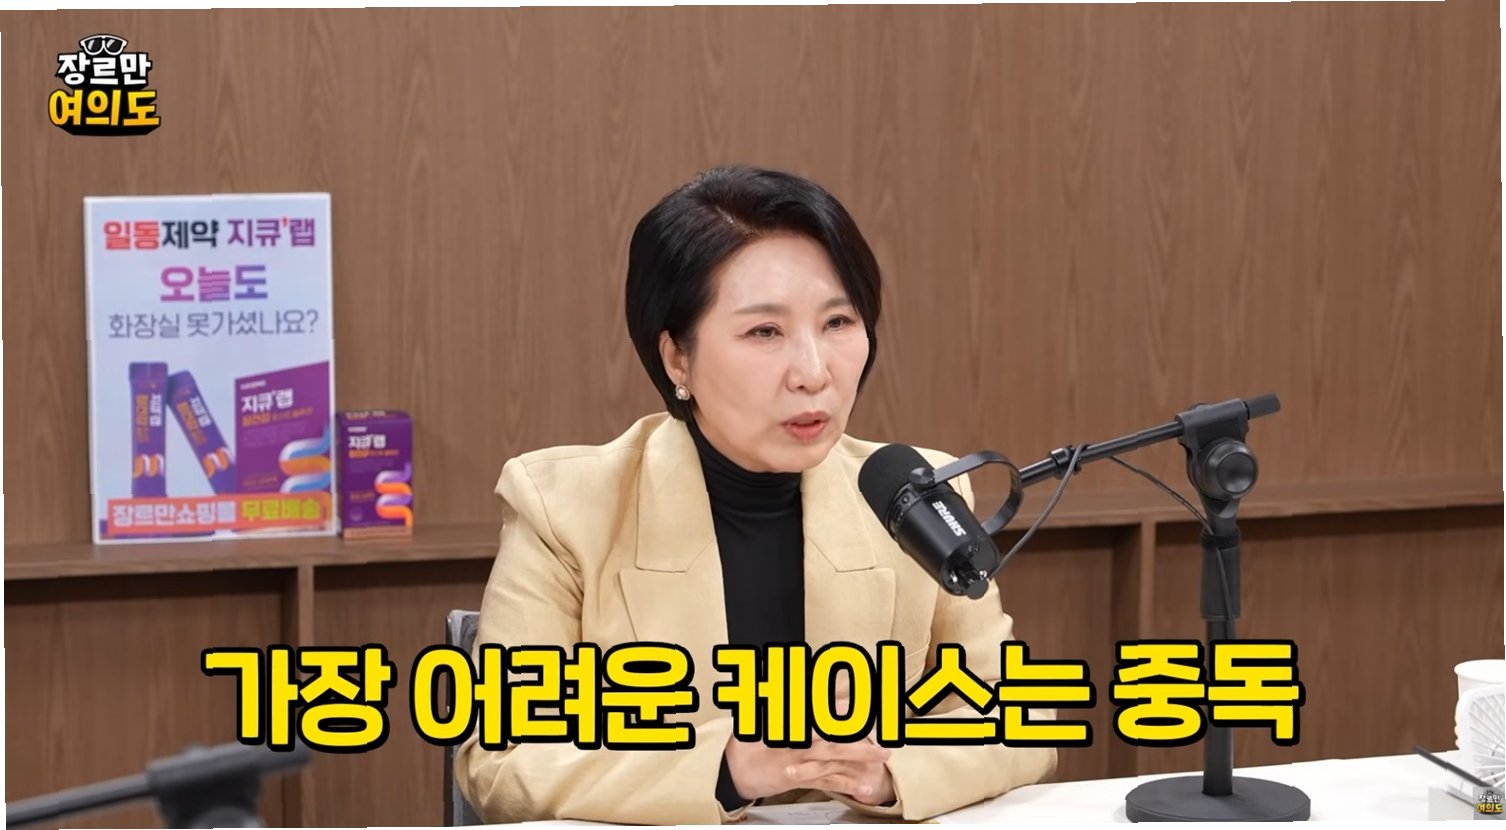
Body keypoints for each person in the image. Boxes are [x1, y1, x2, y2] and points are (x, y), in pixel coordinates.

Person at [454, 165, 1056, 824]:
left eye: (838, 322)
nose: (814, 373)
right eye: (764, 332)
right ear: (677, 358)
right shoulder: (566, 508)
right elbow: (503, 762)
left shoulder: (916, 491)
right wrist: (726, 770)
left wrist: (890, 776)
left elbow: (1018, 714)